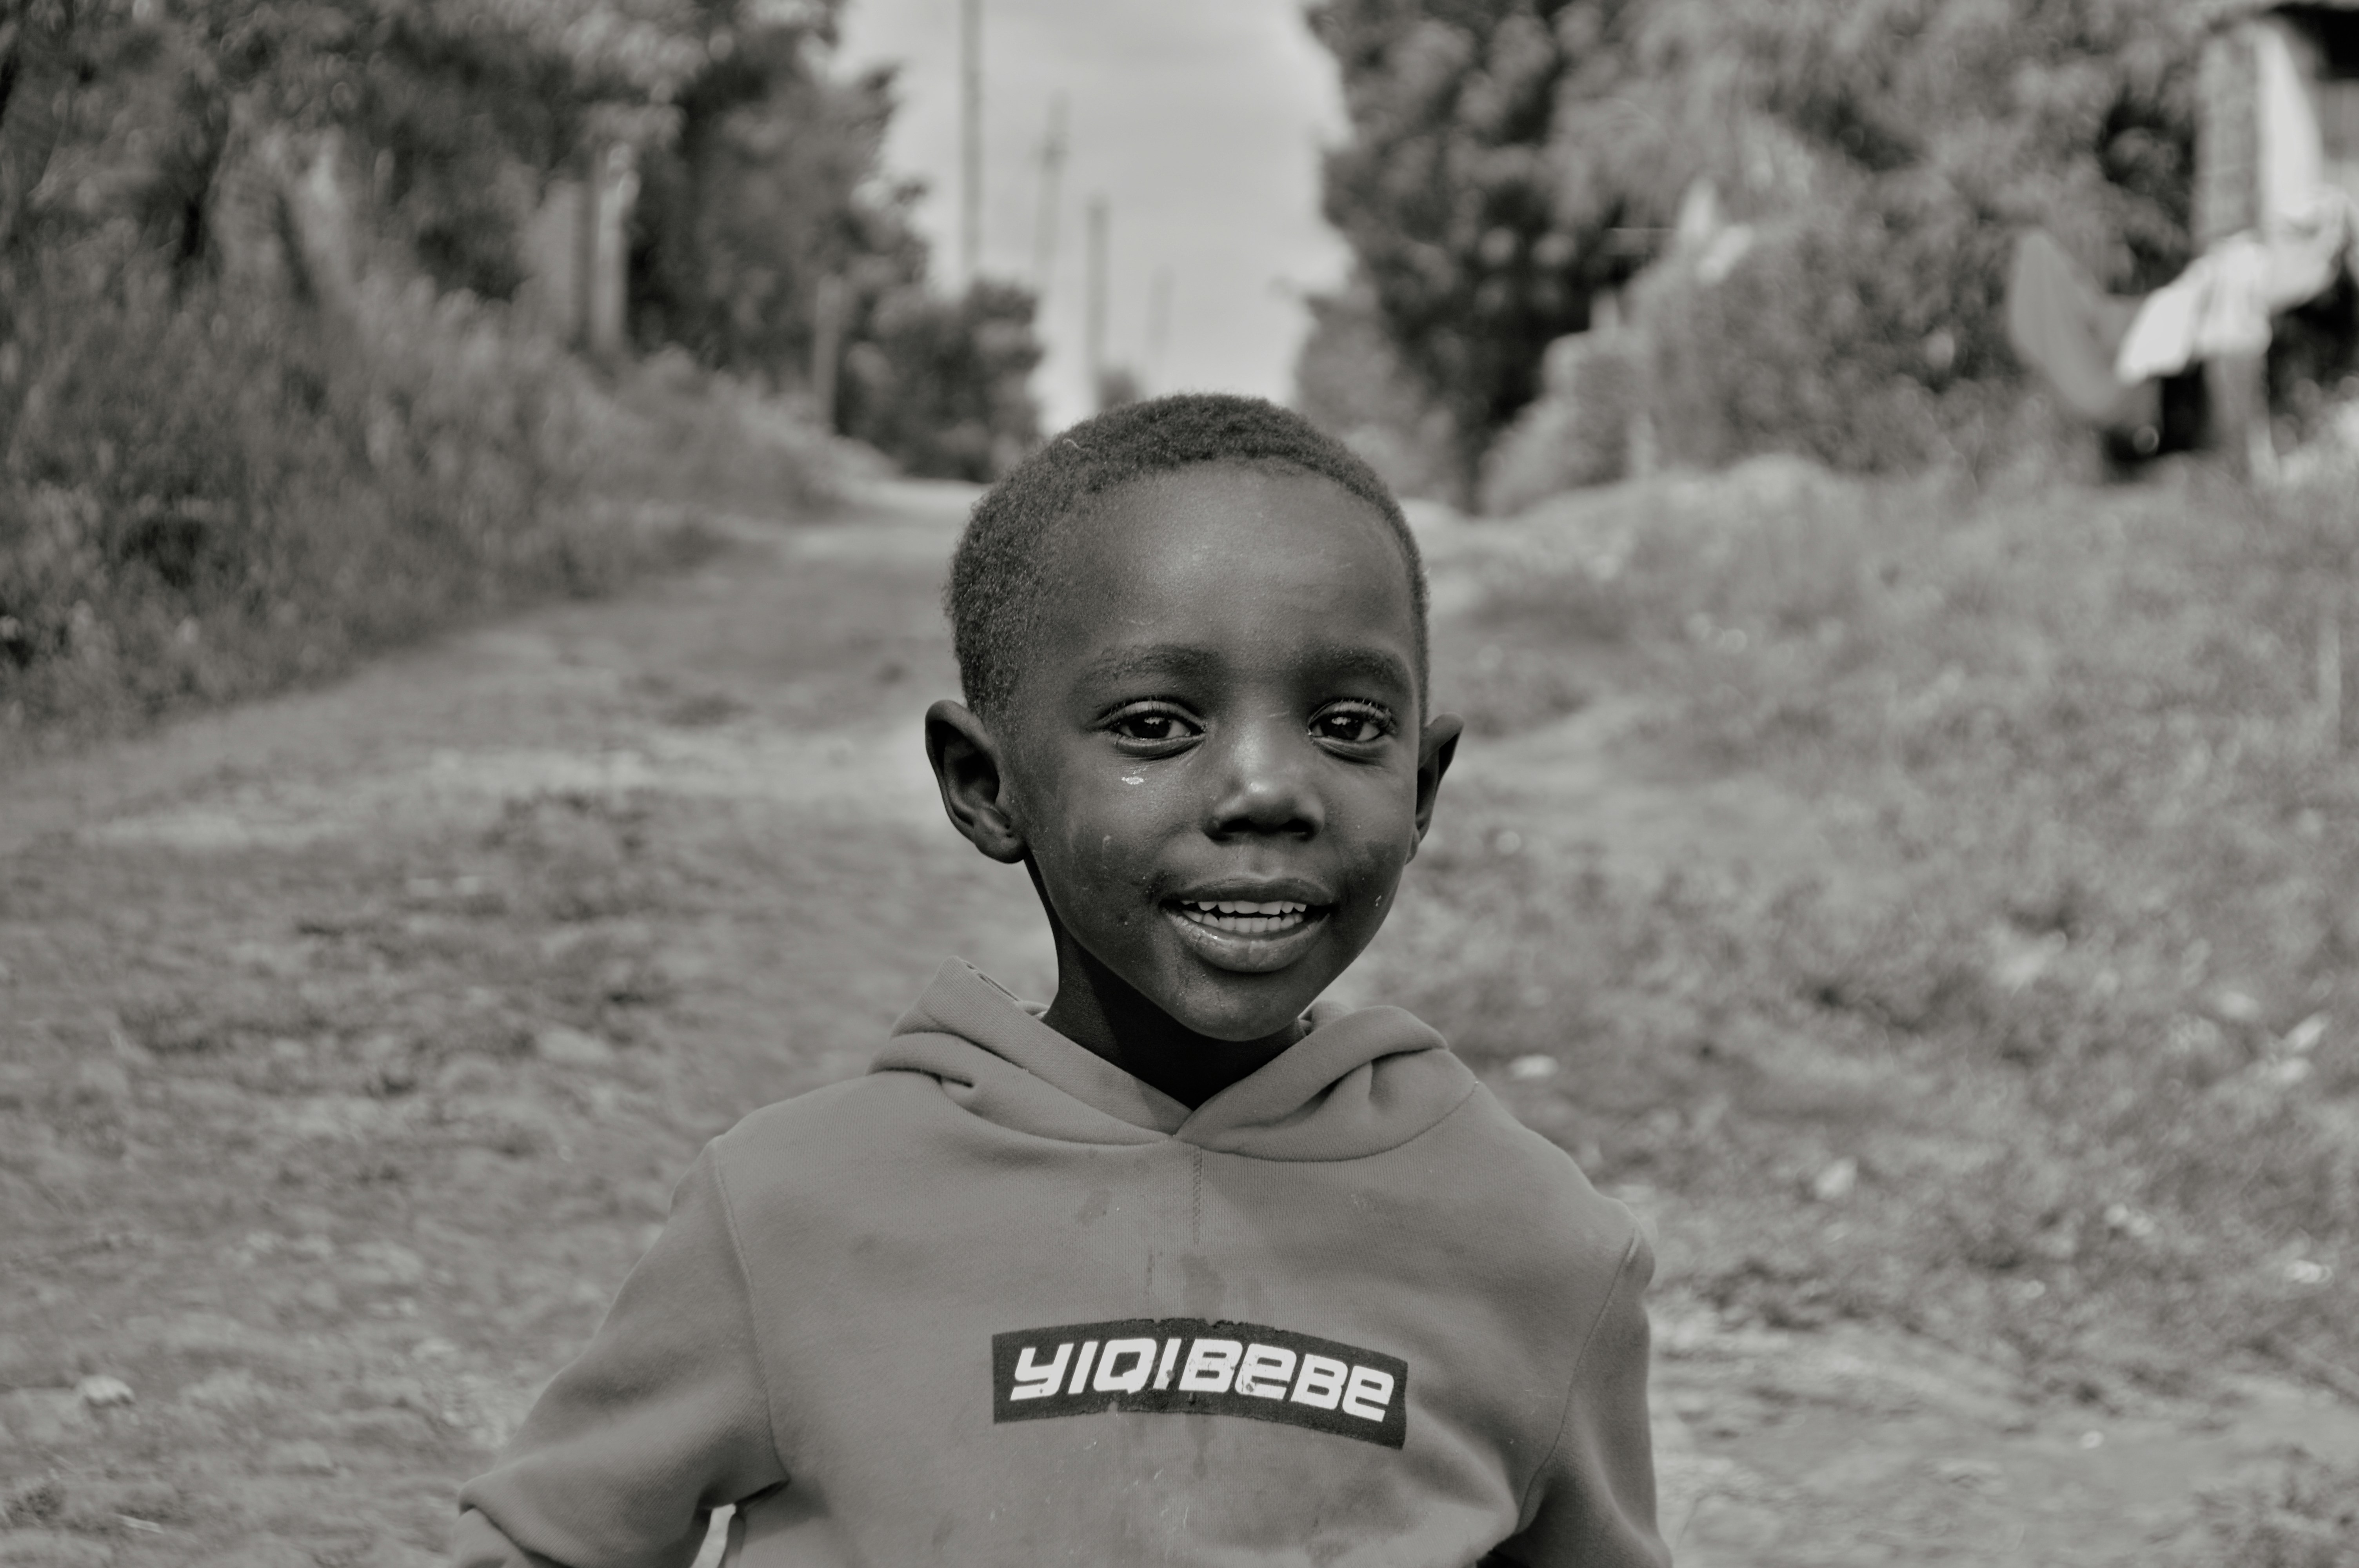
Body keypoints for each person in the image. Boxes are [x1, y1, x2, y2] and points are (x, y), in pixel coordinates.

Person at [449, 394, 1666, 1568]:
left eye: (1348, 726)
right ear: (986, 786)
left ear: (1425, 788)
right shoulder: (790, 1214)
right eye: (1156, 724)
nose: (1267, 790)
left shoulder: (1536, 1248)